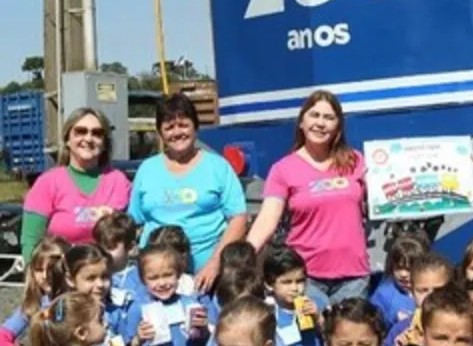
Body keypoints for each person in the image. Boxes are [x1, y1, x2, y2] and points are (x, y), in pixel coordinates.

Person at [247, 90, 371, 305]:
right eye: (314, 115)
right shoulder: (283, 169)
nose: (321, 123)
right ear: (302, 123)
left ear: (338, 127)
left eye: (329, 118)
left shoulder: (356, 161)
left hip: (354, 277)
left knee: (347, 338)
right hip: (305, 279)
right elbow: (267, 220)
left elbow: (381, 201)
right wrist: (243, 257)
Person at [129, 93, 248, 292]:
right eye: (169, 127)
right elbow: (135, 219)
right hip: (158, 280)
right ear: (160, 132)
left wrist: (214, 264)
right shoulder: (147, 169)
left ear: (196, 127)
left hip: (207, 277)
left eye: (183, 125)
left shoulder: (218, 167)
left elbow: (238, 218)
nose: (177, 133)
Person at [21, 107, 131, 261]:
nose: (88, 138)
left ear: (105, 143)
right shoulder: (47, 183)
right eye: (80, 131)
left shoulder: (119, 182)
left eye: (97, 133)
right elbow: (30, 242)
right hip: (62, 279)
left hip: (106, 280)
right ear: (67, 139)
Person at [262, 246, 327, 346]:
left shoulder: (316, 303)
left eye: (300, 281)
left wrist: (318, 318)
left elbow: (332, 337)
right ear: (269, 284)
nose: (295, 288)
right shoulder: (267, 313)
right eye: (286, 282)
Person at [369, 232, 430, 330]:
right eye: (398, 268)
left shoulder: (431, 290)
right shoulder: (384, 295)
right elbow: (372, 328)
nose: (403, 274)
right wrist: (395, 319)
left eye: (409, 269)